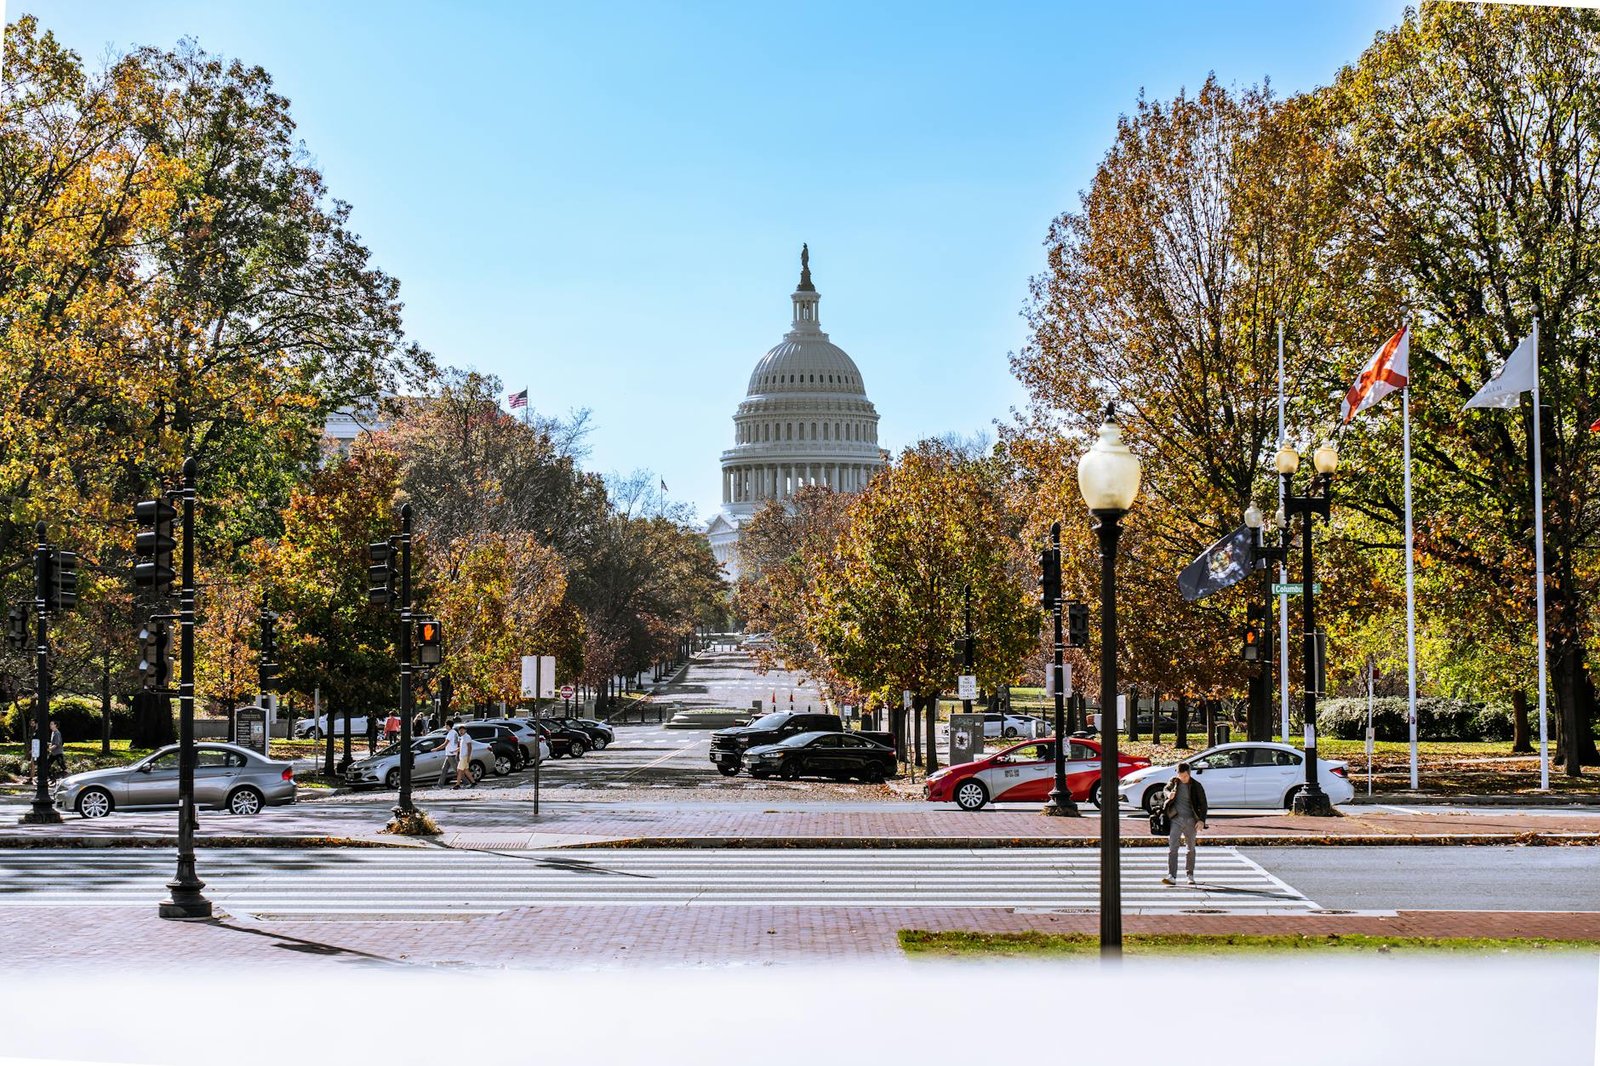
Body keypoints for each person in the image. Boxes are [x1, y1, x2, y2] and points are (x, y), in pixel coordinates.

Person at [1161, 761, 1208, 886]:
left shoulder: (1196, 786)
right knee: (1172, 848)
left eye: (1185, 776)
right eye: (1180, 776)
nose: (1182, 779)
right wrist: (1168, 795)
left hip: (1191, 821)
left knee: (1190, 848)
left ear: (1189, 774)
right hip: (1176, 819)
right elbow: (1165, 789)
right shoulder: (1174, 781)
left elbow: (1203, 804)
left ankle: (1190, 875)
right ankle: (1172, 875)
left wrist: (1201, 820)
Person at [436, 718, 461, 788]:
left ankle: (467, 782)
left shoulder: (450, 733)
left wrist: (436, 749)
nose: (445, 727)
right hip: (450, 753)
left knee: (457, 770)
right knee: (444, 769)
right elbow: (457, 742)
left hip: (451, 754)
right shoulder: (455, 732)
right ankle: (440, 785)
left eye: (446, 725)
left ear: (448, 725)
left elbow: (445, 743)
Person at [454, 723, 476, 789]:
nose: (461, 731)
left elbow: (469, 747)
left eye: (462, 730)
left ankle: (457, 784)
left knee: (459, 770)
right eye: (460, 730)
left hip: (465, 756)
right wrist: (456, 750)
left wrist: (468, 756)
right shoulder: (462, 738)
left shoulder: (467, 737)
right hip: (462, 756)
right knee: (466, 770)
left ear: (465, 730)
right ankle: (473, 782)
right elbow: (462, 747)